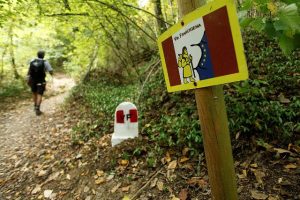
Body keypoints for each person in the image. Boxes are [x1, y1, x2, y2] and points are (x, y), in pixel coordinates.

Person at [27, 50, 53, 116]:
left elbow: (29, 71)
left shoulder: (32, 61)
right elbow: (50, 71)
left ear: (37, 55)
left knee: (34, 93)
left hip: (32, 80)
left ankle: (35, 106)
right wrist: (51, 74)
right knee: (39, 94)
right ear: (43, 55)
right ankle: (37, 109)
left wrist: (27, 79)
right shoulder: (45, 62)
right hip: (41, 80)